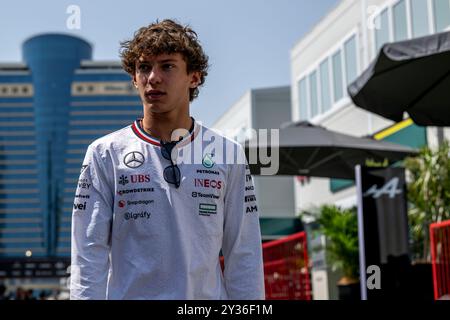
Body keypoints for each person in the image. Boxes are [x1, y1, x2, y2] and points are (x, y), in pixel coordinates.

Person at [70, 19, 264, 300]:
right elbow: (88, 251)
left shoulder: (228, 153)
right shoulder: (104, 153)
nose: (153, 78)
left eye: (167, 66)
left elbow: (243, 252)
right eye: (144, 67)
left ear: (194, 77)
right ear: (134, 78)